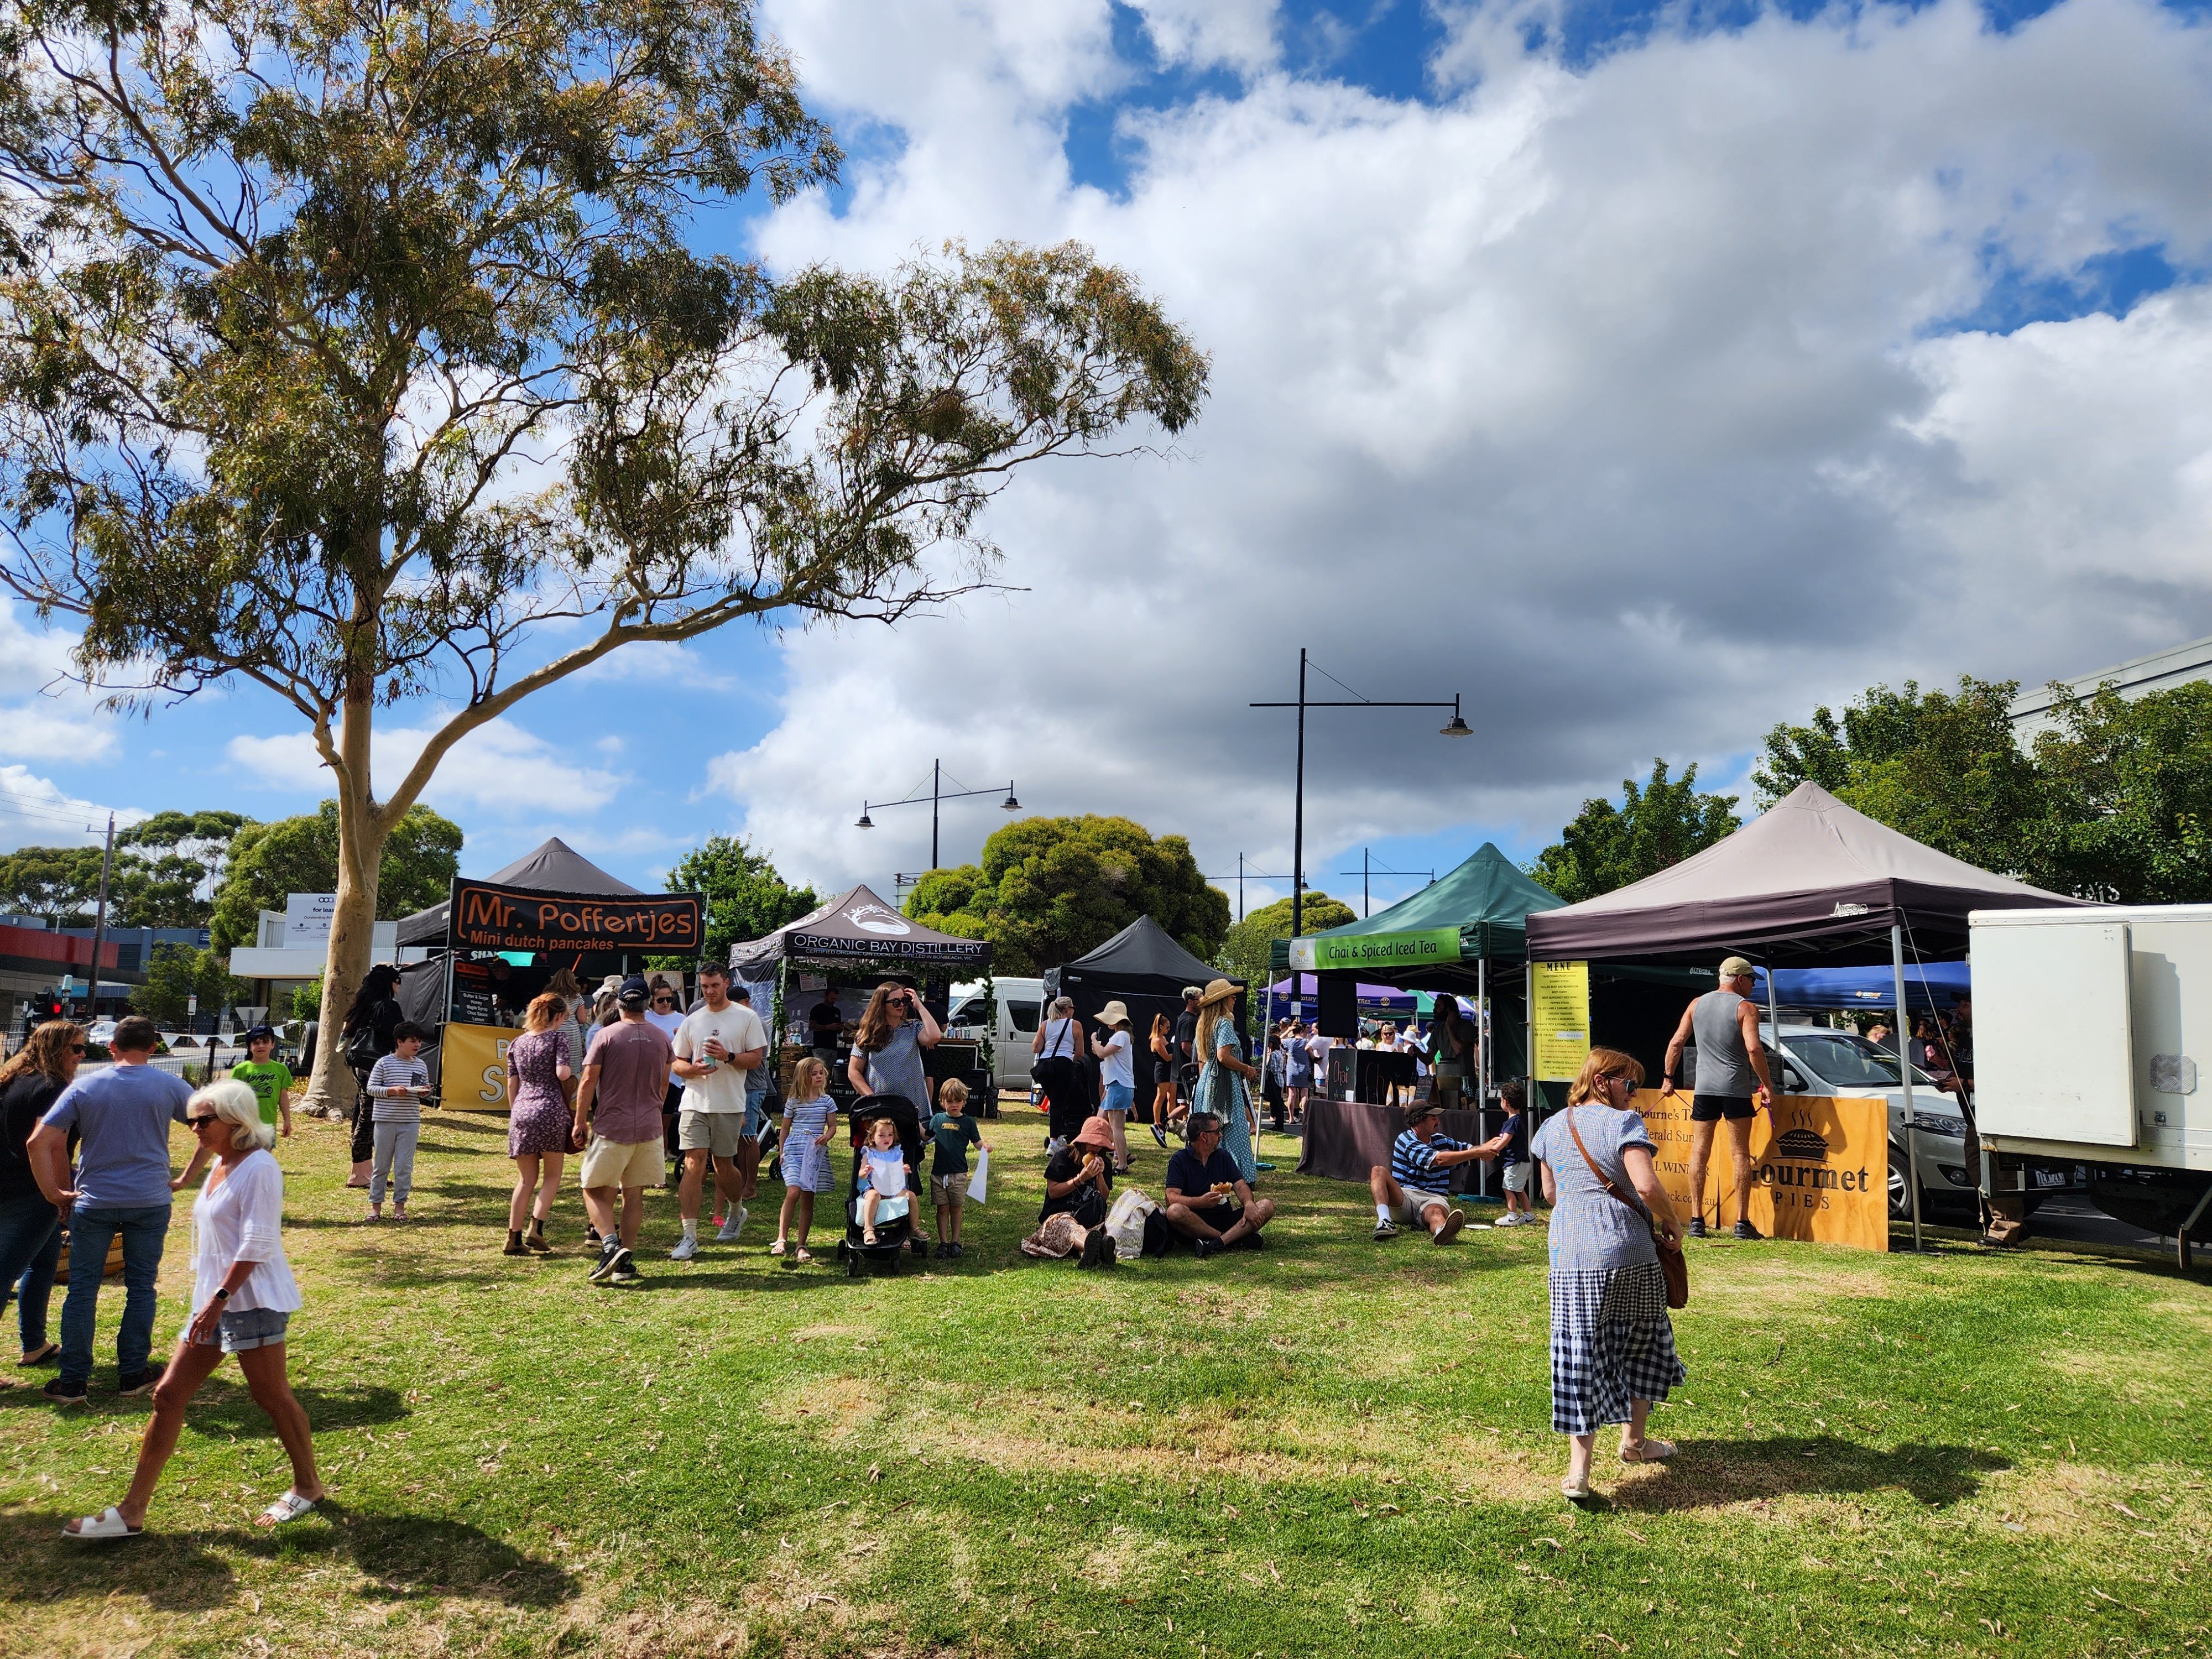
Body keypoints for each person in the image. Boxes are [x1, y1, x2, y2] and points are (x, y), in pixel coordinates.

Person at [62, 1078, 321, 1538]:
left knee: (271, 1395)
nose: (194, 1127)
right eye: (191, 1119)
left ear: (236, 1120)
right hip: (215, 1303)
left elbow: (257, 1242)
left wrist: (219, 1301)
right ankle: (132, 1512)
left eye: (205, 1119)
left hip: (249, 1301)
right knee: (167, 1395)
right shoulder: (221, 1164)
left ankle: (308, 1486)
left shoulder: (259, 1167)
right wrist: (211, 1302)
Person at [1531, 1048, 1686, 1503]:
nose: (1634, 1094)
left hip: (1570, 1258)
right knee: (1643, 1342)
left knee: (1578, 1356)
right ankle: (1634, 1445)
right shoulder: (1625, 1125)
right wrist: (1671, 1220)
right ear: (1603, 1082)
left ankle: (1579, 1472)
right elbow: (1645, 1186)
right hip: (1628, 1255)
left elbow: (1550, 1193)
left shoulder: (1549, 1127)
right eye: (1630, 1084)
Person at [26, 1015, 203, 1405]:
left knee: (82, 1290)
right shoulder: (172, 1085)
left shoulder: (86, 1086)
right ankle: (132, 1372)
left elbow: (37, 1142)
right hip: (150, 1199)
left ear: (110, 1047)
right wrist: (188, 1177)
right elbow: (208, 1129)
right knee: (141, 1287)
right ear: (155, 1047)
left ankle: (73, 1380)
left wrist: (55, 1194)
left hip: (95, 1200)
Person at [1658, 956, 1775, 1240]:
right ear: (1740, 979)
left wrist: (1668, 1078)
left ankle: (1697, 1220)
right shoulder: (1746, 1008)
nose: (1752, 987)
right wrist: (1767, 1085)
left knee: (1700, 1151)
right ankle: (1741, 1222)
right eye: (1751, 981)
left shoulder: (1697, 1004)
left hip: (1705, 1088)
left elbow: (1676, 1042)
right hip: (1735, 1088)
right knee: (1739, 1154)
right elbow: (1754, 1049)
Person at [571, 976, 671, 1286]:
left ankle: (611, 1244)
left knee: (591, 1186)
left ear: (619, 1004)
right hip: (650, 1125)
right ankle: (625, 1260)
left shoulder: (605, 1036)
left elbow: (588, 1082)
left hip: (614, 1123)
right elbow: (665, 1083)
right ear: (648, 1004)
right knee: (634, 1193)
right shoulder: (661, 1037)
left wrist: (579, 1120)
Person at [667, 962, 767, 1260]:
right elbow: (677, 1062)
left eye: (714, 985)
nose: (709, 992)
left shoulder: (747, 1018)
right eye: (705, 987)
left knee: (723, 1165)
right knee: (693, 1163)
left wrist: (728, 1056)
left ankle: (737, 1210)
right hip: (694, 1102)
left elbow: (756, 1060)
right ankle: (689, 1236)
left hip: (729, 1103)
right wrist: (693, 1070)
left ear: (726, 983)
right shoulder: (692, 1020)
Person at [0, 1021, 79, 1369]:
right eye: (76, 1048)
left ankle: (34, 1344)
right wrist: (61, 1194)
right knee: (4, 1273)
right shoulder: (54, 1087)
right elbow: (53, 1147)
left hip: (10, 1186)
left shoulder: (11, 1080)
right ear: (58, 1049)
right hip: (34, 1193)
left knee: (44, 1263)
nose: (82, 1055)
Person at [849, 981, 938, 1244]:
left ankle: (905, 1225)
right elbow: (854, 1072)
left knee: (906, 1164)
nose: (901, 1006)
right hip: (880, 1114)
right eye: (896, 1002)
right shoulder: (867, 1034)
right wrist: (872, 1099)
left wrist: (919, 1004)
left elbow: (934, 1037)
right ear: (883, 1004)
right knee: (876, 1164)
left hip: (910, 1109)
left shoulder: (912, 1028)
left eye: (904, 1002)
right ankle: (872, 1221)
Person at [1369, 1099, 1510, 1243]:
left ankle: (1442, 1231)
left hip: (1433, 1199)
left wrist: (1486, 1147)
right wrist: (1479, 1152)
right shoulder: (1405, 1140)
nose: (1439, 1122)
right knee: (1378, 1171)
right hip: (1404, 1197)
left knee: (1436, 1213)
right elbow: (1439, 1159)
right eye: (1433, 1118)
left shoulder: (1441, 1140)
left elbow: (1468, 1149)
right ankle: (1384, 1221)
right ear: (1419, 1121)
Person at [501, 992, 573, 1256]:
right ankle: (536, 1227)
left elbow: (512, 1083)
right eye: (564, 1017)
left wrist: (516, 1112)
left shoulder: (517, 1043)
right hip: (550, 1108)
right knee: (553, 1176)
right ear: (557, 1016)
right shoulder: (558, 1038)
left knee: (525, 1179)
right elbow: (562, 1073)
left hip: (522, 1110)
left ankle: (513, 1237)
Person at [1164, 1113, 1276, 1258]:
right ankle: (1230, 1239)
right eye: (1217, 1132)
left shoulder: (1223, 1156)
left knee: (1266, 1206)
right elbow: (1171, 1198)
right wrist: (1200, 1202)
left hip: (1224, 1218)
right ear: (1204, 1136)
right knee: (1174, 1212)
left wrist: (1248, 1204)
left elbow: (1241, 1186)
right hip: (1194, 1223)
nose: (1221, 1135)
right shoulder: (1179, 1160)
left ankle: (1216, 1243)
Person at [337, 965, 403, 1187]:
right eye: (397, 982)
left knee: (362, 1115)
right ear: (390, 984)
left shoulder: (362, 1007)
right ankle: (359, 1174)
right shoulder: (387, 1007)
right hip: (379, 1067)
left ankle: (366, 1170)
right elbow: (398, 1036)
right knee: (368, 1119)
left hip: (361, 1067)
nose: (399, 987)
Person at [1188, 980, 1260, 1183]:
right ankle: (1242, 1177)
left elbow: (1204, 1060)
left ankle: (1209, 1174)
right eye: (1232, 996)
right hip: (1224, 1082)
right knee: (1234, 1128)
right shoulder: (1224, 1023)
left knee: (1209, 1129)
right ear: (1222, 1001)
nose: (1235, 1000)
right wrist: (1246, 1068)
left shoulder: (1205, 1025)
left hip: (1207, 1082)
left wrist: (1205, 1085)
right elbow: (1223, 1057)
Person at [362, 1021, 430, 1223]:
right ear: (400, 1042)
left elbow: (420, 1088)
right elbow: (371, 1088)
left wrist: (425, 1091)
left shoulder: (420, 1064)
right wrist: (391, 1091)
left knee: (404, 1166)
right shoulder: (384, 1063)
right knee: (381, 1166)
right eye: (413, 1041)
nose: (417, 1045)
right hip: (385, 1121)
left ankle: (400, 1207)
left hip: (410, 1122)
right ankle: (375, 1208)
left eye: (419, 1041)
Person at [1031, 1114, 1119, 1268]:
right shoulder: (1063, 1158)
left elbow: (1104, 1197)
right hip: (1060, 1216)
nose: (1096, 1148)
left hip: (1089, 1218)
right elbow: (1053, 1192)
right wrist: (1081, 1178)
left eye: (1101, 1145)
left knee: (1103, 1229)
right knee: (1069, 1227)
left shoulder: (1105, 1162)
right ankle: (1093, 1248)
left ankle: (1089, 1253)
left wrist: (1099, 1175)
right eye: (1093, 1143)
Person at [773, 1057, 838, 1265]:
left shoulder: (827, 1101)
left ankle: (801, 1244)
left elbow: (833, 1127)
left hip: (814, 1152)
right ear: (804, 1077)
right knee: (793, 1191)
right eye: (814, 1074)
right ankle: (782, 1238)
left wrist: (826, 1137)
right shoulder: (794, 1102)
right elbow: (784, 1128)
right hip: (795, 1148)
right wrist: (782, 1151)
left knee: (808, 1196)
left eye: (821, 1073)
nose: (819, 1077)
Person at [927, 1078, 987, 1259]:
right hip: (938, 1174)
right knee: (942, 1208)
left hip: (959, 1175)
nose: (954, 1105)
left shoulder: (968, 1122)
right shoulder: (937, 1120)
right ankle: (943, 1243)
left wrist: (984, 1146)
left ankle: (955, 1242)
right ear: (942, 1102)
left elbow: (977, 1142)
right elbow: (926, 1136)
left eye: (958, 1101)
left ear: (964, 1102)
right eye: (950, 1101)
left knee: (956, 1208)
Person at [1030, 995, 1086, 1150]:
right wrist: (1069, 1058)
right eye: (1073, 1008)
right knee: (1059, 1104)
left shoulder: (1046, 1025)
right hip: (1064, 1064)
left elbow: (1036, 1048)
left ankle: (1058, 1136)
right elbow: (1080, 1053)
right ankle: (1054, 1141)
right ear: (1068, 1010)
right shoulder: (1075, 1025)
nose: (1074, 1011)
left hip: (1046, 1066)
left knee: (1055, 1102)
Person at [1089, 1001, 1136, 1173]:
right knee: (1107, 1123)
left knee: (1116, 1127)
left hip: (1118, 1085)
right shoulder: (1122, 1036)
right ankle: (1122, 1154)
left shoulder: (1120, 1036)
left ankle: (1121, 1164)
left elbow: (1101, 1053)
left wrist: (1094, 1040)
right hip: (1118, 1085)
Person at [228, 1025, 294, 1141]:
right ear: (250, 1047)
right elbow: (232, 1098)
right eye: (256, 1043)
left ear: (273, 1045)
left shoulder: (281, 1069)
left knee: (264, 1157)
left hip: (268, 1125)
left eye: (265, 1042)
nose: (261, 1046)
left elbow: (283, 1097)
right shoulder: (240, 1070)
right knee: (244, 1156)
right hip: (244, 1125)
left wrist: (287, 1120)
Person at [857, 1115, 911, 1246]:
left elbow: (899, 1175)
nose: (887, 1139)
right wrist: (864, 1173)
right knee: (874, 1195)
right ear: (872, 1137)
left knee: (911, 1196)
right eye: (882, 1135)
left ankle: (913, 1229)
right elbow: (861, 1175)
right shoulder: (869, 1153)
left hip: (892, 1187)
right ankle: (868, 1229)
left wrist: (904, 1171)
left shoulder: (896, 1153)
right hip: (873, 1187)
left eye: (890, 1135)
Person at [1495, 1081, 1536, 1226]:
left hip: (1515, 1163)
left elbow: (1506, 1139)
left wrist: (1494, 1150)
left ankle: (1512, 1215)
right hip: (1523, 1162)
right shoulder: (1517, 1120)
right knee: (1519, 1190)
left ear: (1505, 1102)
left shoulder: (1512, 1122)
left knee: (1508, 1188)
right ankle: (1529, 1215)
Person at [1431, 998, 1474, 1105]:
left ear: (1449, 1010)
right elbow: (1428, 1059)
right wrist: (1416, 1051)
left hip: (1465, 1085)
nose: (1434, 1010)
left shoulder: (1466, 1026)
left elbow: (1459, 1049)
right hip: (1445, 1085)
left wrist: (1449, 1027)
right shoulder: (1438, 1030)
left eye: (1438, 1007)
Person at [1147, 1013, 1179, 1147]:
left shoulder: (1165, 1038)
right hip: (1162, 1070)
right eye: (1167, 1027)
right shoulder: (1156, 1041)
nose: (1168, 1029)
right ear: (1160, 1027)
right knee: (1160, 1097)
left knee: (1172, 1097)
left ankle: (1172, 1121)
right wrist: (1179, 1055)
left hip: (1171, 1070)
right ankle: (1156, 1122)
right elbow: (1166, 1057)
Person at [1282, 1019, 1314, 1125]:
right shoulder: (1306, 1042)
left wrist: (1287, 1032)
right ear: (1302, 1032)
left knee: (1292, 1095)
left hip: (1292, 1070)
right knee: (1304, 1094)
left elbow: (1279, 1039)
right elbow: (1312, 1050)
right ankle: (1305, 1117)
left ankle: (1291, 1117)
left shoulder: (1289, 1042)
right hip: (1304, 1069)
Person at [808, 985, 846, 1062]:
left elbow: (839, 1031)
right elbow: (811, 1027)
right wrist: (828, 1027)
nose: (833, 1001)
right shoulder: (817, 1009)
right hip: (820, 1046)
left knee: (830, 1070)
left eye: (835, 999)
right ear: (826, 997)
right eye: (832, 998)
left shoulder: (837, 1011)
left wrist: (840, 1028)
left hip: (833, 1047)